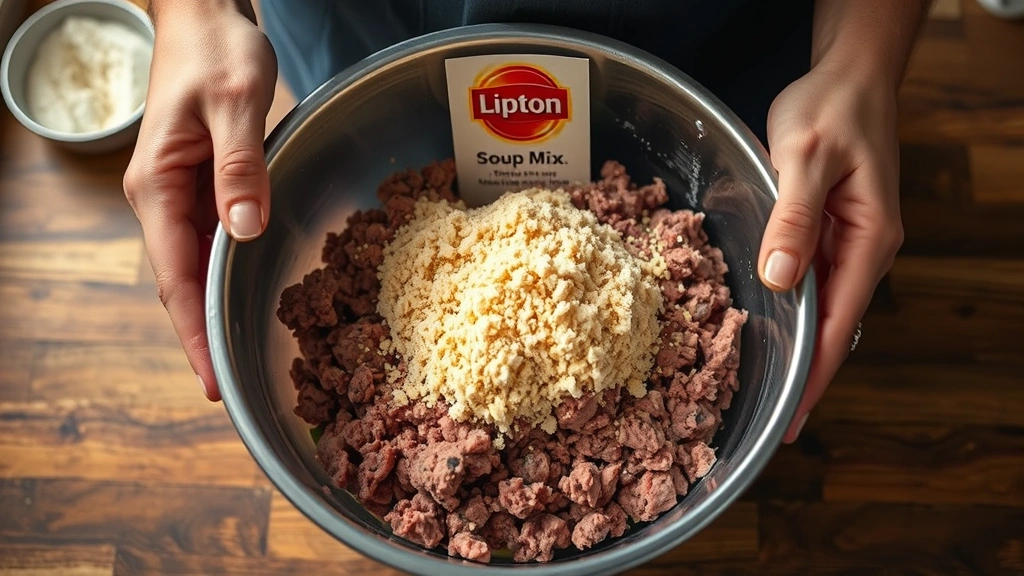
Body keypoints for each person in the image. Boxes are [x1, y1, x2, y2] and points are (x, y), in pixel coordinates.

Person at [122, 0, 931, 444]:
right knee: (390, 143)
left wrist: (860, 59)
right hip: (379, 33)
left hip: (711, 56)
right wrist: (190, 13)